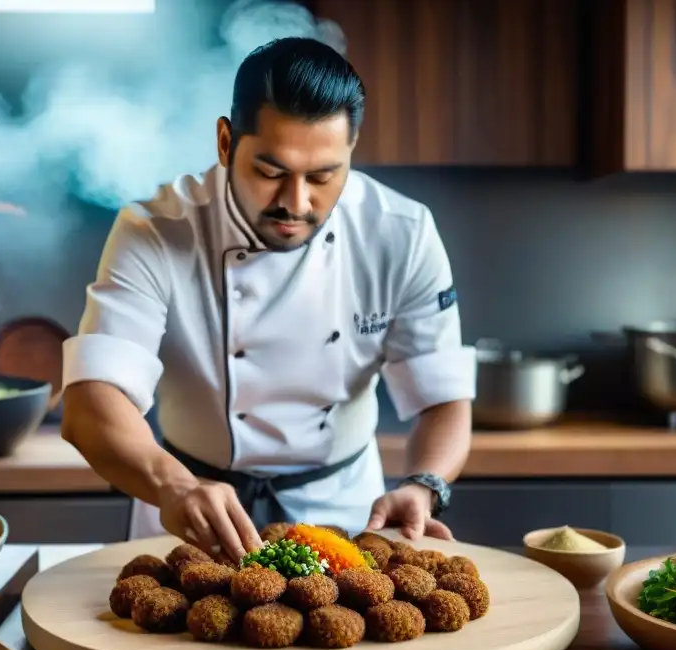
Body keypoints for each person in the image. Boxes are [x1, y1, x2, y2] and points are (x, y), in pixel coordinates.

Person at [60, 36, 476, 564]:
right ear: (225, 142)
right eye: (270, 172)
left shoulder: (401, 232)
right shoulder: (156, 230)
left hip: (344, 515)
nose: (295, 203)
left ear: (351, 151)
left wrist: (423, 485)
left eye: (324, 176)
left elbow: (443, 397)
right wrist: (174, 486)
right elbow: (90, 403)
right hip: (190, 516)